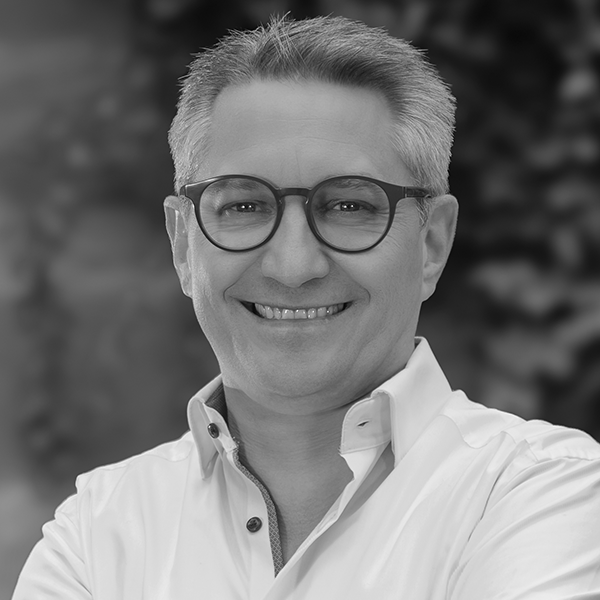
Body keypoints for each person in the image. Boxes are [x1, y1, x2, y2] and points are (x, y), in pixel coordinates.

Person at [13, 15, 600, 600]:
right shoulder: (95, 532)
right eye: (244, 206)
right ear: (183, 245)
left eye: (348, 206)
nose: (293, 267)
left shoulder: (542, 489)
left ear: (432, 244)